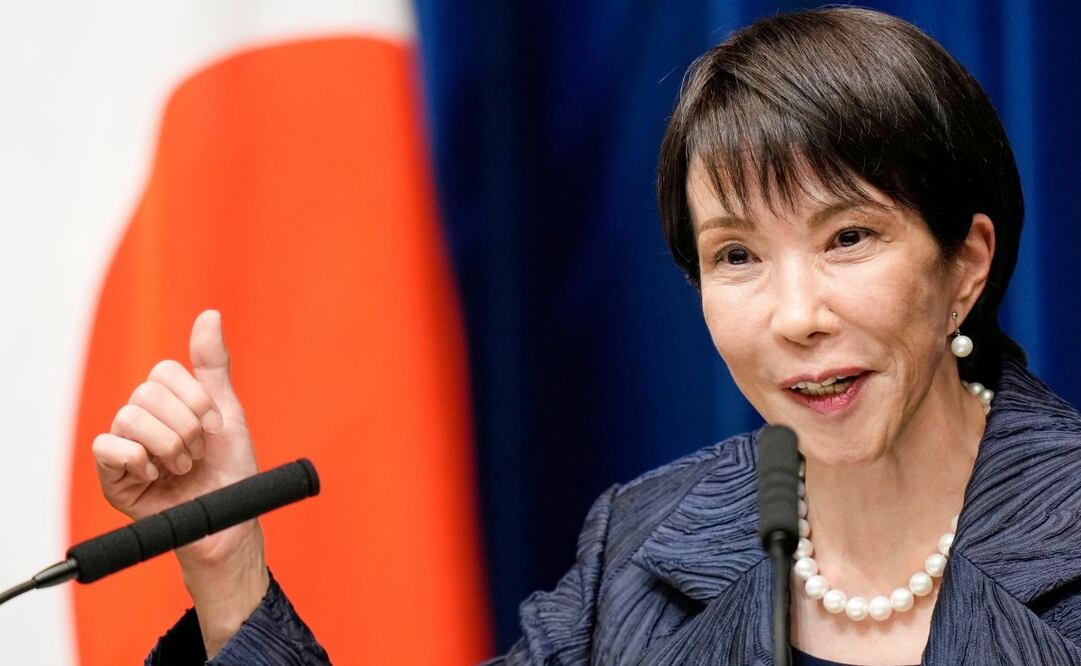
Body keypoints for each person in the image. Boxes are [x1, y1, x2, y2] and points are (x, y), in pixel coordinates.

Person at [91, 7, 1081, 666]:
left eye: (848, 238)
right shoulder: (646, 549)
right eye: (736, 255)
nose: (795, 315)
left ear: (964, 264)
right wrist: (228, 564)